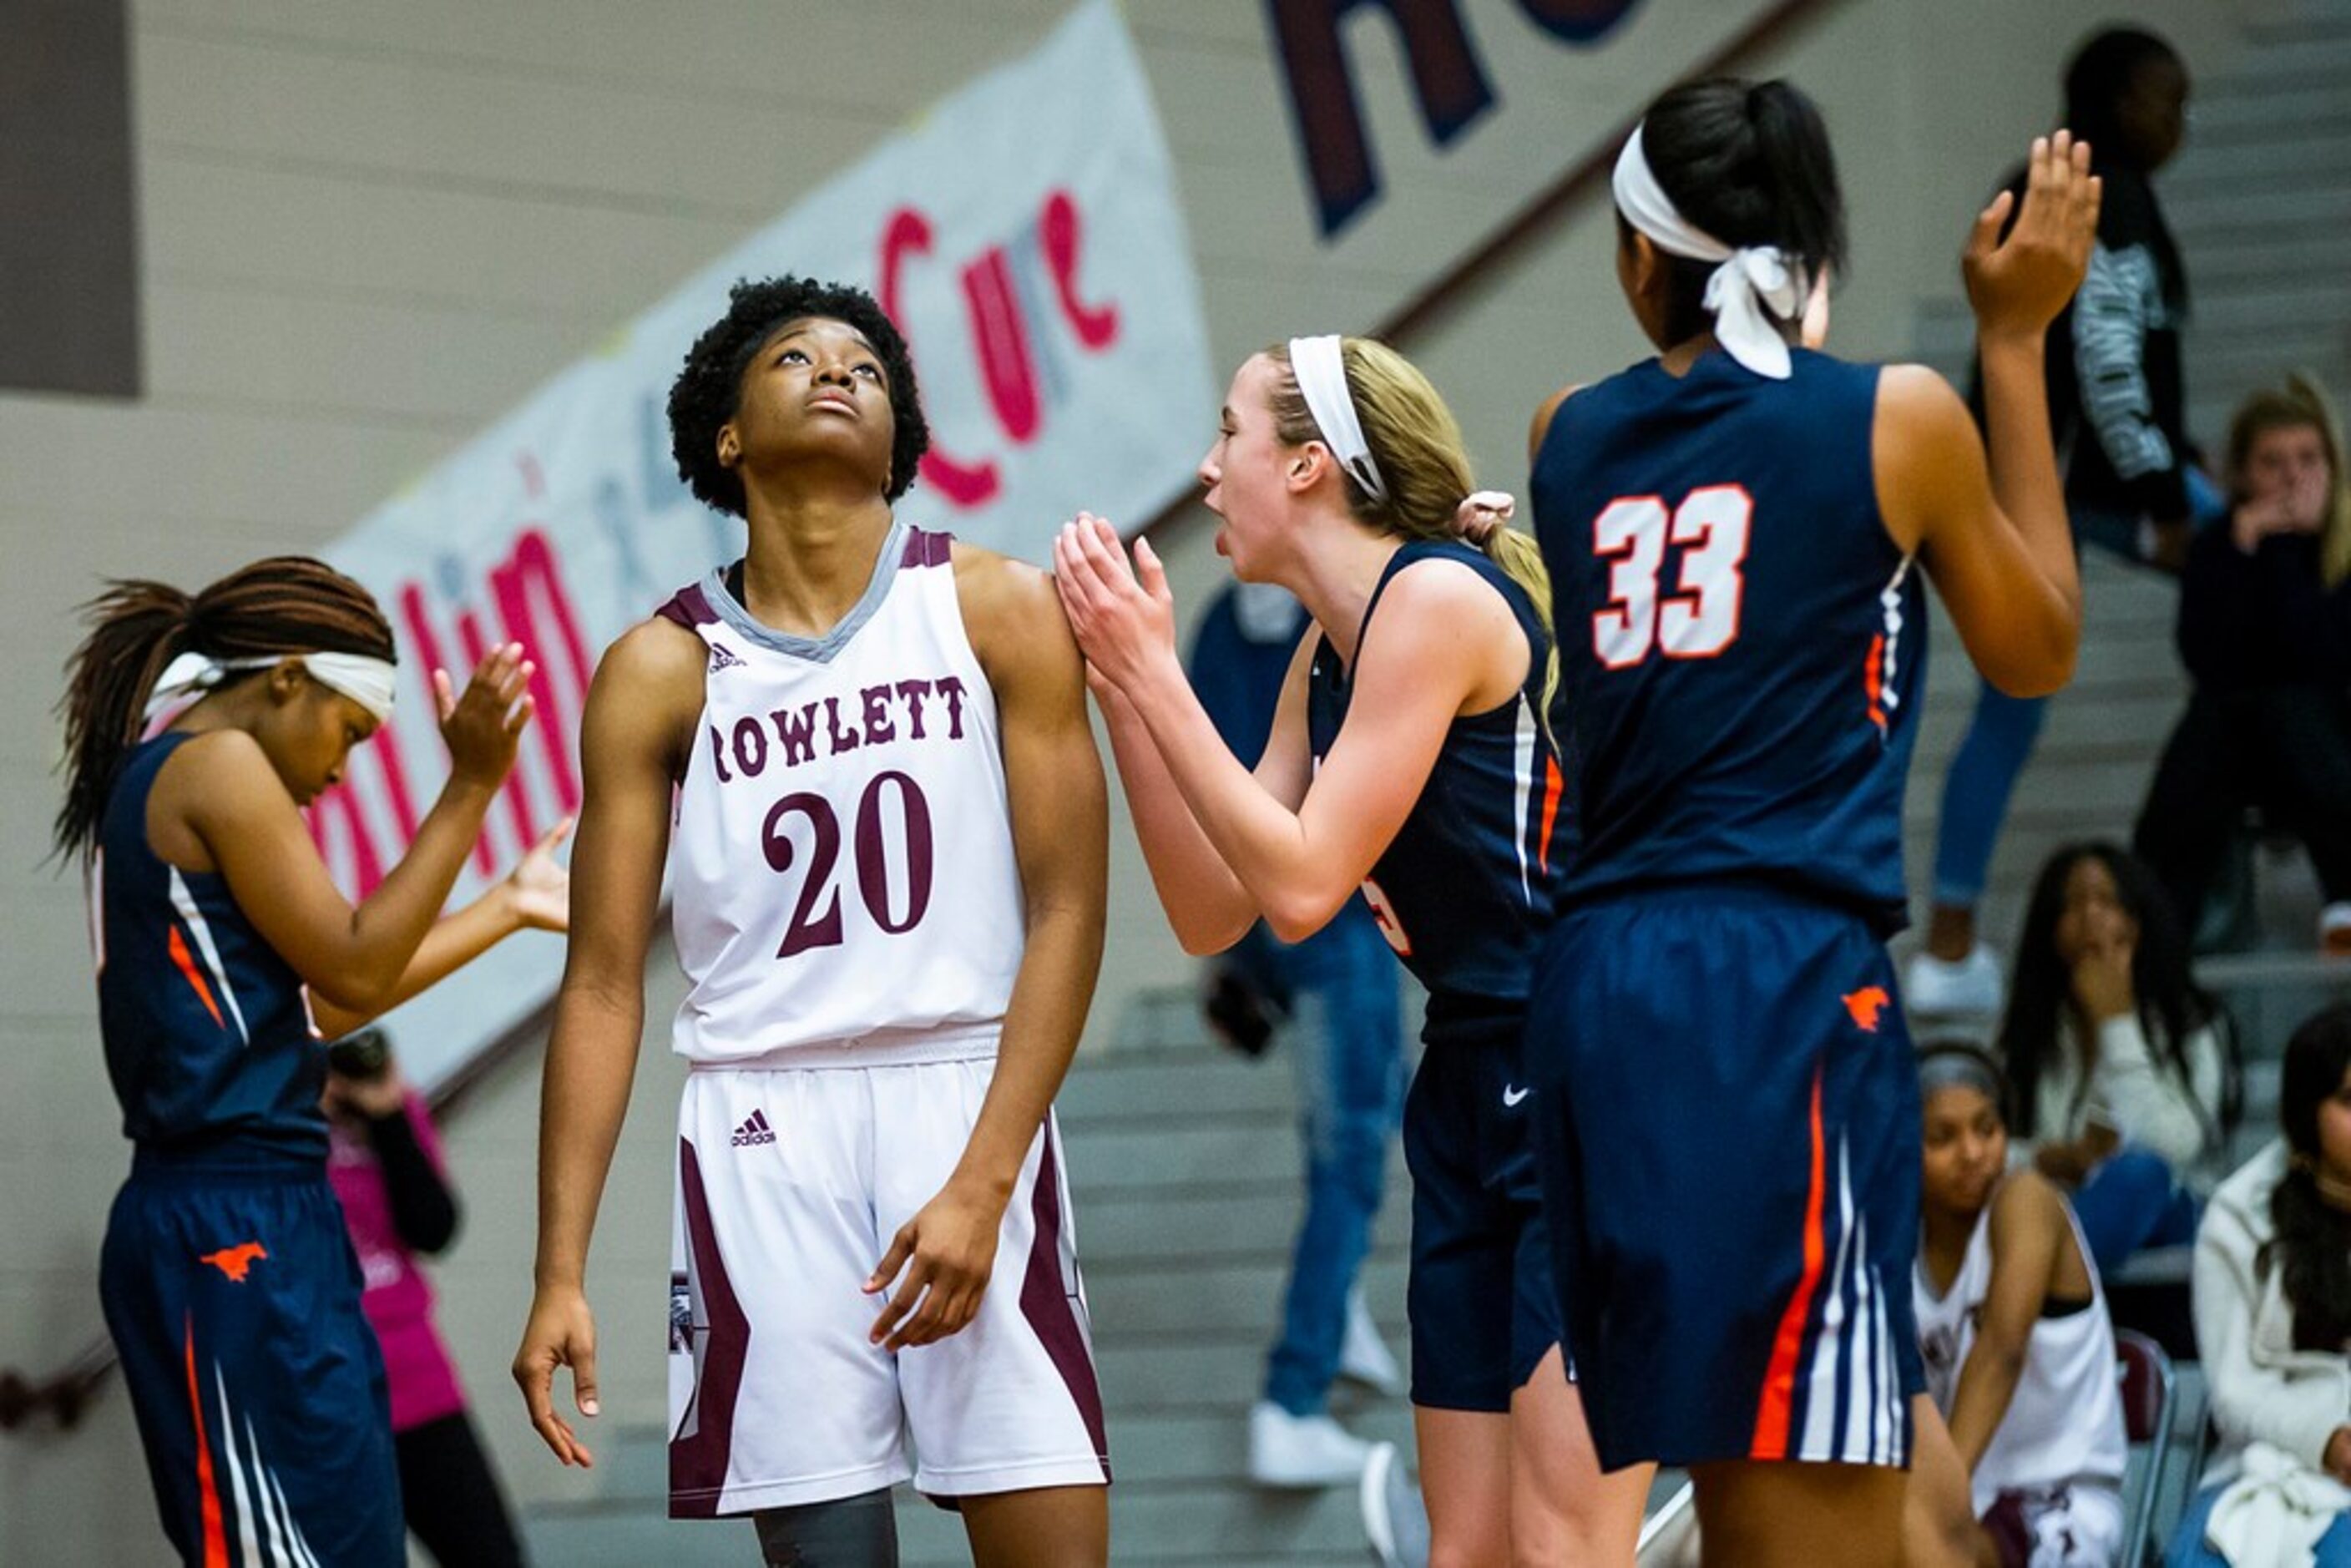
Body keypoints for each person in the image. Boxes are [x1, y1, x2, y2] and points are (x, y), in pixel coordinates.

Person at [1521, 78, 2099, 1565]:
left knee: (1909, 1506)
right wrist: (2016, 340)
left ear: (1641, 259)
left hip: (1604, 988)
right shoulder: (1894, 420)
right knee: (1800, 1514)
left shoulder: (1566, 436)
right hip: (1769, 982)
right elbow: (2035, 646)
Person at [511, 276, 1111, 1568]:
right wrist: (560, 1267)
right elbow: (605, 983)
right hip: (761, 1124)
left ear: (901, 438)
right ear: (725, 434)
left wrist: (987, 1176)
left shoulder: (997, 607)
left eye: (870, 368)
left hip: (965, 1091)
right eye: (795, 357)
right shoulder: (657, 669)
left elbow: (1070, 909)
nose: (840, 373)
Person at [1054, 334, 1652, 1565]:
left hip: (1591, 1072)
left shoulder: (1433, 600)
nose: (1211, 470)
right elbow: (1213, 910)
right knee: (1466, 1550)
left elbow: (1305, 880)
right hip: (1471, 1078)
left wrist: (1159, 675)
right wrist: (1125, 696)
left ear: (1312, 465)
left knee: (1562, 1552)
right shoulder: (1324, 659)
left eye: (1231, 434)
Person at [58, 555, 539, 1565]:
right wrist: (474, 784)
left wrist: (507, 906)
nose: (342, 770)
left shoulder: (177, 764)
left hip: (271, 1212)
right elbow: (358, 967)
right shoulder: (215, 763)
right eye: (351, 734)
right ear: (286, 679)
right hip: (226, 1218)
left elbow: (320, 997)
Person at [1910, 27, 2199, 1016]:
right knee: (2276, 568)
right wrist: (2165, 501)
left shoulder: (2068, 180)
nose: (2179, 123)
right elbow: (2110, 367)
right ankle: (1946, 940)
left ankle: (1948, 938)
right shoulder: (2095, 192)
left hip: (2068, 469)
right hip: (2065, 476)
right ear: (2120, 103)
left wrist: (2175, 462)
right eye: (2167, 101)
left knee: (2010, 703)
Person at [1188, 579, 1409, 1486]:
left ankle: (1339, 1300)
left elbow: (1207, 789)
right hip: (1333, 916)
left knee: (1346, 1127)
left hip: (1267, 917)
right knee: (1352, 1148)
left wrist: (1231, 955)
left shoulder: (1212, 626)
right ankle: (1293, 1394)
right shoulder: (1346, 611)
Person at [2134, 374, 2351, 955]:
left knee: (2289, 703)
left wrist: (2283, 553)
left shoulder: (2346, 554)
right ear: (2243, 475)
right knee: (2221, 715)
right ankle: (2157, 925)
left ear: (2332, 465)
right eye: (2272, 462)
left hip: (2332, 745)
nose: (2291, 478)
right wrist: (2253, 547)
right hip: (2240, 753)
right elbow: (2210, 661)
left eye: (2308, 459)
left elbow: (2320, 658)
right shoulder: (2218, 550)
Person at [1914, 1044, 2129, 1566]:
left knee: (1923, 1551)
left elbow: (2002, 1351)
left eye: (1987, 1129)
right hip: (1961, 1491)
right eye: (1942, 1138)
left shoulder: (2026, 1200)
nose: (1972, 1153)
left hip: (2058, 1498)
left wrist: (1932, 1503)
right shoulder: (1896, 1238)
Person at [1995, 842, 2233, 1279]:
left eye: (2107, 901)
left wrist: (2116, 1020)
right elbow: (1989, 1152)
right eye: (2073, 904)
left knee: (2140, 1172)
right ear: (2049, 929)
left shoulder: (2193, 1022)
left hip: (2171, 1216)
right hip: (2057, 1211)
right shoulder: (2029, 1033)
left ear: (2138, 919)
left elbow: (2172, 1150)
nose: (2091, 917)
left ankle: (2026, 1299)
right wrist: (2049, 1158)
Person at [2167, 1002, 2351, 1567]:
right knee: (2203, 1557)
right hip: (2266, 1456)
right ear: (2305, 1111)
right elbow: (2234, 1391)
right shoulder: (2238, 1216)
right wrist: (2327, 1439)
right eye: (2349, 1102)